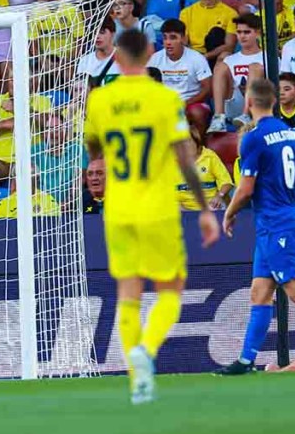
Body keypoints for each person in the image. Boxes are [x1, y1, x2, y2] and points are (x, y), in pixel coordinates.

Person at [84, 28, 218, 404]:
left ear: (118, 57)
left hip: (119, 208)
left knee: (127, 290)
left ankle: (135, 377)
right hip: (158, 207)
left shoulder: (100, 100)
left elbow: (94, 148)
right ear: (149, 55)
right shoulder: (164, 98)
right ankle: (148, 348)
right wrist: (205, 210)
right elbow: (185, 158)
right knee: (171, 290)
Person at [217, 79, 295, 375]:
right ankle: (246, 360)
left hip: (277, 224)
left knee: (293, 289)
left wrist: (230, 213)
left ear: (248, 103)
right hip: (278, 220)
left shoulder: (254, 137)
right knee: (260, 291)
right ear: (274, 102)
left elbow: (246, 187)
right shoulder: (289, 134)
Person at [208, 13, 264, 132]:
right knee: (220, 66)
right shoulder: (230, 60)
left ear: (258, 33)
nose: (242, 36)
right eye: (239, 32)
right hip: (233, 100)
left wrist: (250, 88)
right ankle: (219, 117)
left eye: (247, 32)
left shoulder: (267, 57)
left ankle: (246, 115)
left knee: (255, 68)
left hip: (258, 103)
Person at [147, 19, 212, 107]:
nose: (168, 42)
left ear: (184, 39)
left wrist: (184, 104)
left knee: (197, 113)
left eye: (173, 38)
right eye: (165, 38)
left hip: (191, 102)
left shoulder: (197, 58)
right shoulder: (155, 59)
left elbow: (207, 89)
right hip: (164, 102)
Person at [179, 0, 238, 64]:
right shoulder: (186, 13)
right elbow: (183, 43)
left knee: (225, 55)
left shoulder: (230, 13)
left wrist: (205, 57)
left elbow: (229, 46)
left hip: (216, 57)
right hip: (193, 57)